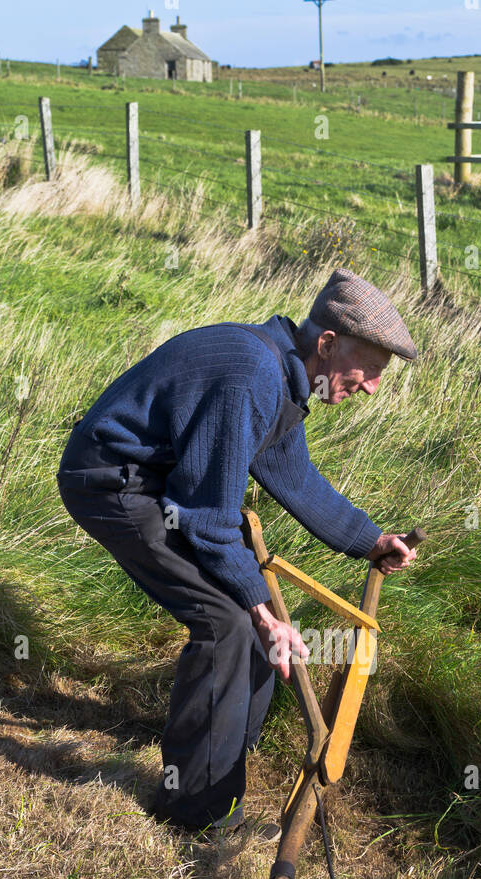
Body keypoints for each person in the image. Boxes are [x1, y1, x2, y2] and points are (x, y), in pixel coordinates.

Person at [57, 268, 419, 835]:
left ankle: (222, 754)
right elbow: (206, 516)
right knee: (227, 620)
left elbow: (291, 475)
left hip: (157, 485)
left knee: (252, 620)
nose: (372, 385)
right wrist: (259, 609)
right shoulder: (252, 374)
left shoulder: (282, 373)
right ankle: (200, 811)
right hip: (111, 482)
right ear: (326, 343)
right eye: (369, 368)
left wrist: (368, 539)